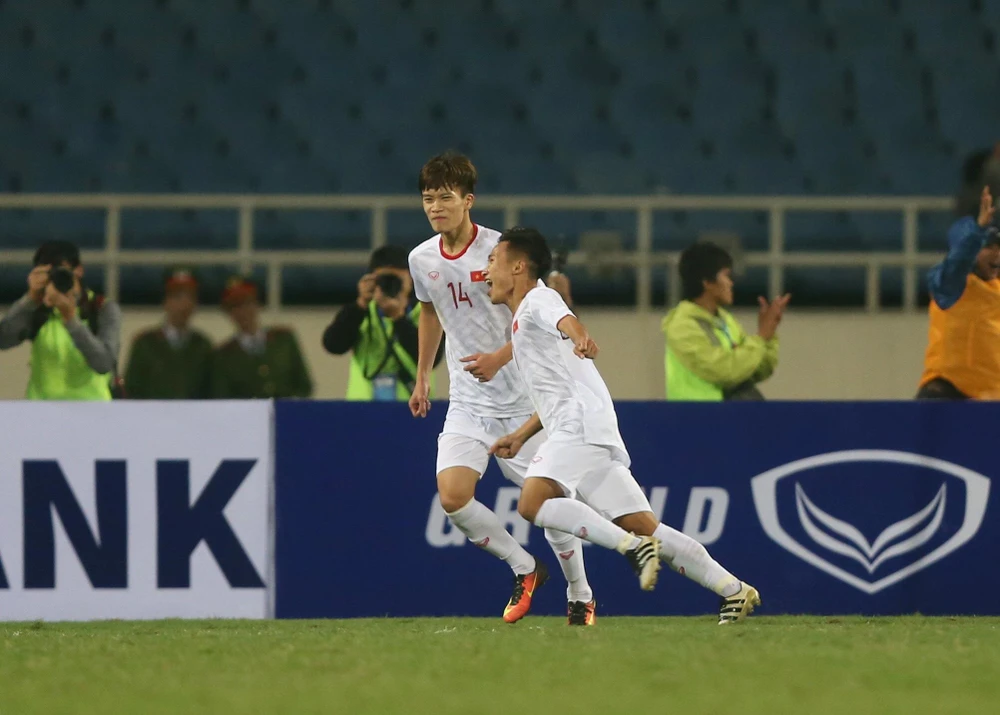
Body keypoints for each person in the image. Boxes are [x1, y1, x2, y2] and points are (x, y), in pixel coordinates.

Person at [485, 227, 760, 624]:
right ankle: (733, 590)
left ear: (518, 266)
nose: (487, 269)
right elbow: (559, 391)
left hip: (577, 426)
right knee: (649, 527)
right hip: (586, 425)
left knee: (532, 503)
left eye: (493, 260)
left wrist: (579, 334)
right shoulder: (525, 319)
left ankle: (629, 548)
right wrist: (520, 435)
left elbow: (563, 316)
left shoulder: (536, 301)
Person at [407, 152, 597, 626]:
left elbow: (537, 316)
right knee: (452, 496)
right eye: (428, 198)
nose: (435, 207)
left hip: (523, 401)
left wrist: (499, 356)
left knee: (549, 507)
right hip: (469, 402)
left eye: (445, 197)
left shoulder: (501, 252)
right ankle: (524, 568)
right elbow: (430, 311)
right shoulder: (421, 259)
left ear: (468, 200)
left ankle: (580, 593)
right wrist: (423, 374)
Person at [662, 242, 789, 401]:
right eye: (726, 276)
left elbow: (756, 370)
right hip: (694, 418)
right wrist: (761, 337)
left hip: (726, 416)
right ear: (707, 282)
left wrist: (768, 336)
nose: (731, 283)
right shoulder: (682, 326)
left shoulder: (726, 321)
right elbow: (723, 371)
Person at [0, 240, 121, 400]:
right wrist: (29, 299)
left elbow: (103, 363)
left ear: (79, 270)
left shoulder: (100, 308)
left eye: (63, 274)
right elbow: (4, 340)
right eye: (50, 276)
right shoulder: (38, 309)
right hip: (43, 412)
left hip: (92, 412)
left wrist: (71, 319)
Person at [322, 245, 442, 400]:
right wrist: (360, 304)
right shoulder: (361, 311)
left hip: (414, 407)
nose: (390, 285)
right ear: (371, 280)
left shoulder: (426, 312)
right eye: (384, 280)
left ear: (411, 280)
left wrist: (398, 318)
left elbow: (434, 358)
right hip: (363, 408)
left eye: (397, 280)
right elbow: (333, 346)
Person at [918, 186, 1000, 399]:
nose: (996, 254)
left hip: (987, 401)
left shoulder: (996, 288)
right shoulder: (953, 284)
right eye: (988, 247)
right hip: (947, 395)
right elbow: (956, 265)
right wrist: (977, 233)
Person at [211, 276, 313, 399]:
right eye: (235, 306)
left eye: (247, 303)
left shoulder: (284, 340)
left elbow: (304, 385)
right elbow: (223, 396)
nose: (243, 311)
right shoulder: (223, 356)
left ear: (257, 304)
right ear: (228, 312)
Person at [124, 268, 213, 399]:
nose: (184, 304)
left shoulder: (202, 345)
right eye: (177, 297)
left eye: (190, 297)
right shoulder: (145, 344)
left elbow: (211, 393)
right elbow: (131, 391)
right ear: (165, 301)